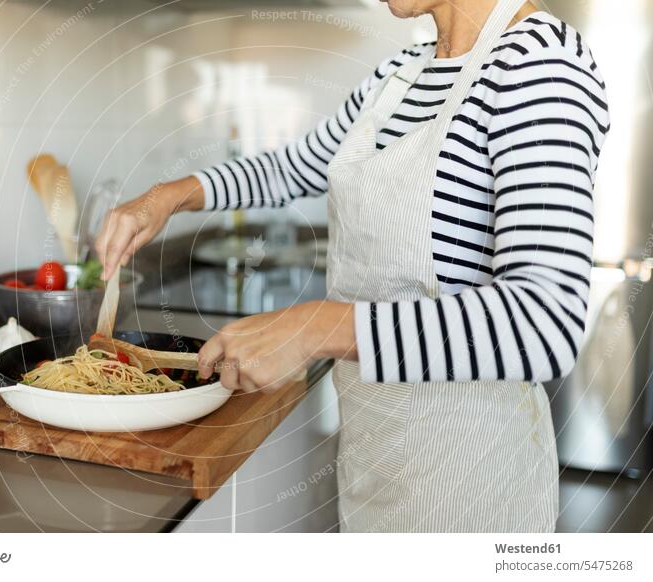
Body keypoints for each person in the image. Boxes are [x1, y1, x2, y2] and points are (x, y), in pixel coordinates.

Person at [96, 0, 610, 532]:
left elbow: (545, 322)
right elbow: (291, 167)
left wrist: (314, 327)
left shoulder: (540, 67)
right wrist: (169, 195)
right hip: (376, 462)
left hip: (469, 484)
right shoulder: (402, 73)